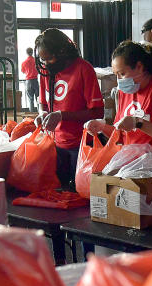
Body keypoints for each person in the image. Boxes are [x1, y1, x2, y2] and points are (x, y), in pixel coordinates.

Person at [34, 28, 104, 188]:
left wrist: (61, 115)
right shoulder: (46, 72)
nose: (45, 64)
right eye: (42, 60)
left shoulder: (83, 69)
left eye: (49, 58)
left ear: (62, 52)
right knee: (56, 191)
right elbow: (42, 103)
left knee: (76, 193)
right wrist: (42, 113)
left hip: (80, 144)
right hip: (54, 143)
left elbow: (97, 112)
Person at [84, 40, 152, 151]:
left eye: (122, 74)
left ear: (139, 67)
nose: (119, 80)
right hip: (133, 161)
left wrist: (139, 123)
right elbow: (121, 135)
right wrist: (101, 127)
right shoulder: (124, 92)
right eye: (116, 75)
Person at [21, 47, 38, 111]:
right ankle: (40, 113)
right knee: (38, 99)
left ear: (26, 53)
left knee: (30, 99)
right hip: (36, 80)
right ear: (32, 52)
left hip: (28, 81)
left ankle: (32, 114)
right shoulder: (36, 61)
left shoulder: (24, 62)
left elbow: (23, 71)